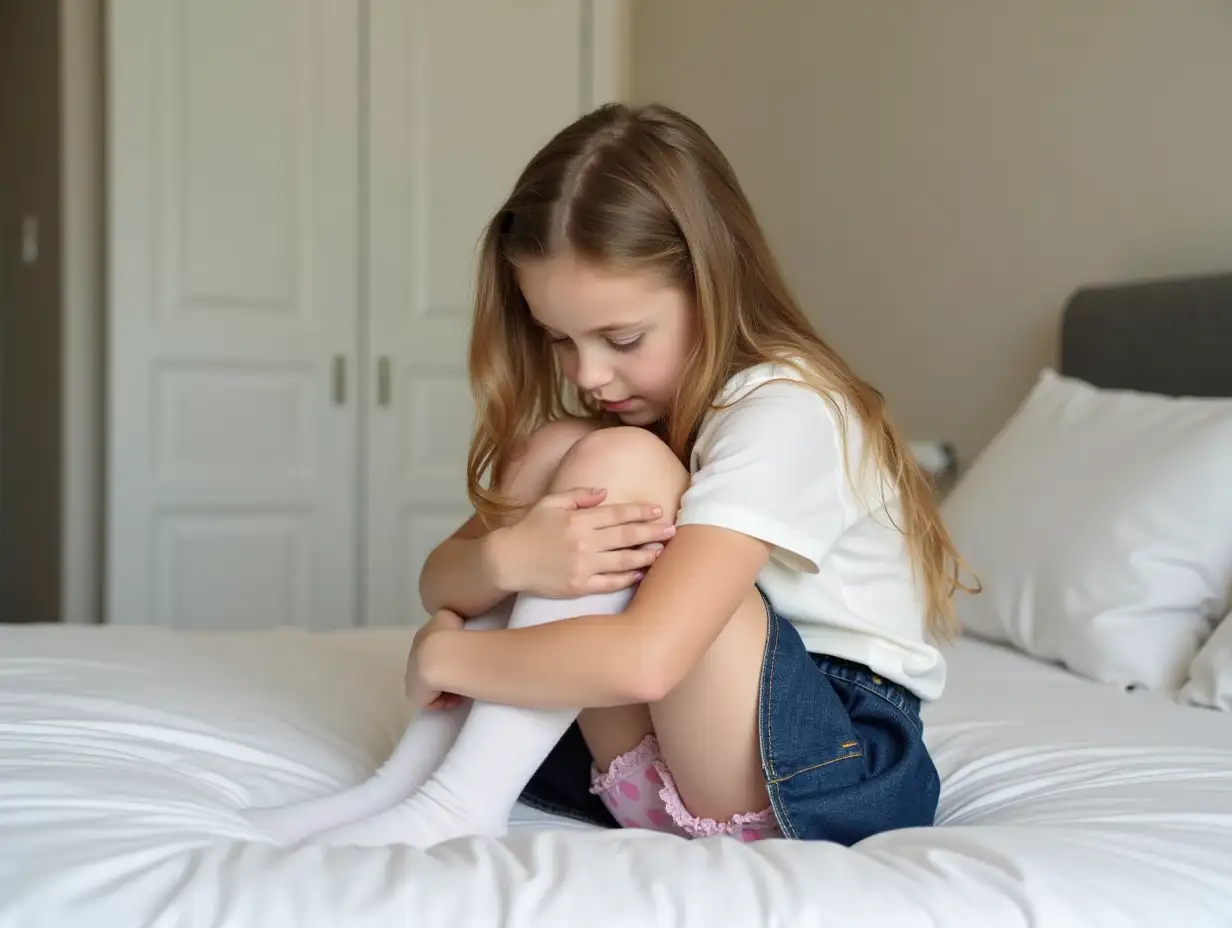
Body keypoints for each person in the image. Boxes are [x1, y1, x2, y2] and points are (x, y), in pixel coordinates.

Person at [245, 102, 972, 850]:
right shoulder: (632, 416)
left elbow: (649, 660)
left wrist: (448, 656)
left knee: (610, 463)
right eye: (559, 339)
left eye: (621, 338)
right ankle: (413, 784)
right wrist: (508, 558)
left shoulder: (789, 409)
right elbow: (442, 583)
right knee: (557, 447)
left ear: (712, 285)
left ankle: (458, 805)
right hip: (668, 760)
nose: (589, 373)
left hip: (830, 767)